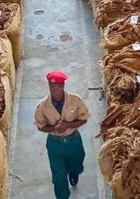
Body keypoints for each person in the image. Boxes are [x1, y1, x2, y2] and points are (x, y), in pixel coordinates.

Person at [34, 70, 91, 199]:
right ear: (49, 86)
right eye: (52, 87)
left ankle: (73, 172)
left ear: (63, 86)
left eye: (59, 86)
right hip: (55, 143)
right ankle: (62, 196)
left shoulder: (75, 100)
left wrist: (68, 125)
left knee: (76, 164)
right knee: (58, 177)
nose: (56, 90)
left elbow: (84, 118)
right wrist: (54, 128)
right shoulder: (42, 107)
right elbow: (40, 126)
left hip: (74, 140)